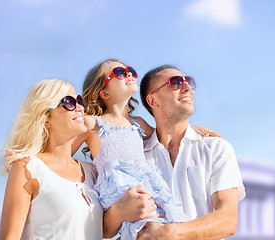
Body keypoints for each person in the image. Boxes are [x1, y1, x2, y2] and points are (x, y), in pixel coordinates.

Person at [75, 59, 217, 239]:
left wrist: (192, 129)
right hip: (118, 187)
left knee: (164, 220)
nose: (128, 74)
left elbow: (165, 133)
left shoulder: (138, 123)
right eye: (119, 72)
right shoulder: (93, 123)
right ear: (104, 92)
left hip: (147, 183)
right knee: (143, 226)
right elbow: (62, 148)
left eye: (131, 71)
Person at [134, 64, 246, 239]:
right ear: (153, 101)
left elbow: (228, 219)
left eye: (189, 81)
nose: (187, 87)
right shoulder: (135, 158)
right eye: (176, 82)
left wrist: (170, 233)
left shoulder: (216, 148)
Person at [0, 79, 103, 239]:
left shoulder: (92, 172)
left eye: (79, 101)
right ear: (46, 119)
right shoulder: (27, 167)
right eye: (69, 102)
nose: (80, 107)